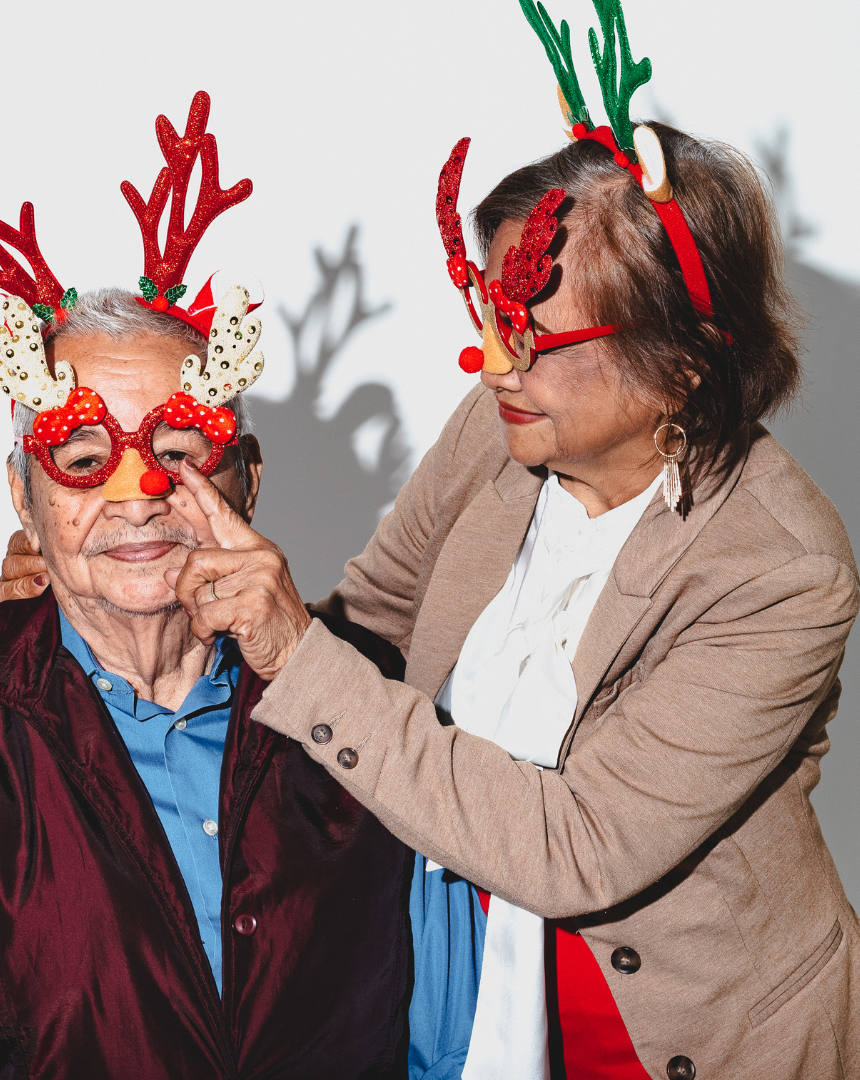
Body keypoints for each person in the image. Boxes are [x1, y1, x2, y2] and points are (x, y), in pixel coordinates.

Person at [120, 12, 859, 1080]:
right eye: (488, 307)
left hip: (689, 1041)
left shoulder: (784, 572)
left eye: (538, 334)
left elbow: (578, 845)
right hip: (466, 994)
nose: (495, 357)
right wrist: (167, 597)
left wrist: (292, 646)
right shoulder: (503, 425)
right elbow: (366, 631)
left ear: (682, 366)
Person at [0, 93, 483, 1080]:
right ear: (23, 499)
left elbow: (464, 1049)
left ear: (246, 479)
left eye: (178, 451)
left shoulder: (378, 703)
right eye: (82, 455)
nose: (138, 495)